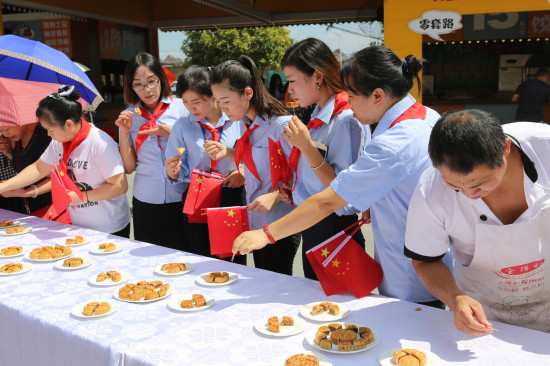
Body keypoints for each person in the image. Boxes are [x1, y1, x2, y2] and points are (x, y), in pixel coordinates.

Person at [232, 46, 451, 307]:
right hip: (423, 252)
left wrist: (266, 234)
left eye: (352, 94)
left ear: (378, 95)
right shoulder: (426, 115)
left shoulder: (391, 141)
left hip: (406, 270)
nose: (347, 100)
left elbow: (330, 201)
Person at [405, 109, 550, 334]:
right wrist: (456, 299)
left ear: (505, 148)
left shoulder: (545, 148)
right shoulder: (431, 189)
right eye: (454, 185)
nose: (468, 195)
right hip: (482, 313)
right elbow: (425, 261)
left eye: (479, 184)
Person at [279, 38, 369, 280]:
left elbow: (345, 193)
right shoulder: (319, 114)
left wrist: (306, 147)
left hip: (333, 228)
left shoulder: (345, 119)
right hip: (314, 223)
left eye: (293, 81)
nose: (290, 90)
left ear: (317, 77)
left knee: (336, 310)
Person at [204, 55, 300, 276]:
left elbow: (304, 174)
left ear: (248, 93)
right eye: (218, 102)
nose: (222, 108)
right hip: (256, 220)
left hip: (281, 222)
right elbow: (259, 162)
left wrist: (275, 196)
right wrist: (228, 153)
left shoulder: (281, 125)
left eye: (226, 101)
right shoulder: (244, 124)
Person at [0, 85, 131, 236]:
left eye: (50, 129)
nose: (48, 134)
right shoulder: (59, 142)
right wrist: (4, 187)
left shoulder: (100, 143)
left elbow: (119, 186)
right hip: (79, 226)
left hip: (110, 228)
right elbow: (38, 169)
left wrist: (82, 197)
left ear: (68, 124)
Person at [164, 66, 246, 264]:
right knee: (200, 258)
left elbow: (254, 157)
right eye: (185, 102)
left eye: (196, 101)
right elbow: (175, 166)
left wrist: (243, 171)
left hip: (230, 195)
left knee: (233, 259)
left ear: (213, 96)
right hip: (197, 196)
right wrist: (172, 172)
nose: (191, 108)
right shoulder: (182, 125)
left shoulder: (238, 120)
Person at [115, 52, 189, 248]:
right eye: (138, 84)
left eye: (151, 81)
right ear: (131, 86)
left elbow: (199, 150)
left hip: (181, 196)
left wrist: (170, 134)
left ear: (161, 78)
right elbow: (129, 167)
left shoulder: (182, 108)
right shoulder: (129, 116)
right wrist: (123, 132)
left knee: (185, 259)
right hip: (146, 199)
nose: (146, 89)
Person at [0, 123, 51, 213]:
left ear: (20, 122)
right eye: (1, 131)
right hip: (35, 204)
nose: (5, 134)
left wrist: (26, 192)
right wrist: (8, 151)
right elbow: (26, 164)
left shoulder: (44, 136)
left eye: (7, 129)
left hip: (53, 204)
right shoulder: (18, 138)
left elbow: (54, 176)